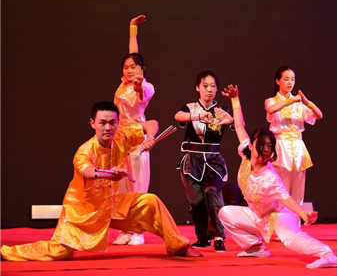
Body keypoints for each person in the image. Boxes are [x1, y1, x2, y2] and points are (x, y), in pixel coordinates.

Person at [0, 101, 200, 261]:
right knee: (60, 252)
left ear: (118, 122)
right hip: (83, 211)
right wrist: (109, 173)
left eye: (112, 122)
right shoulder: (84, 151)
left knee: (150, 202)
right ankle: (6, 252)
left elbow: (152, 123)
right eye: (102, 123)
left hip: (111, 204)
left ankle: (179, 246)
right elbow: (88, 172)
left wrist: (149, 137)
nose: (108, 127)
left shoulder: (122, 135)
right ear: (92, 123)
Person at [219, 84, 337, 269]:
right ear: (252, 145)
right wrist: (235, 99)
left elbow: (285, 198)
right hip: (258, 215)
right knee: (225, 213)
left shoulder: (270, 177)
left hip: (278, 216)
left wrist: (303, 213)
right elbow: (239, 125)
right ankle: (255, 248)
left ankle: (328, 255)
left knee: (291, 240)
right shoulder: (246, 156)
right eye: (262, 145)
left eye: (270, 146)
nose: (266, 149)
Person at [174, 70, 233, 252]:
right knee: (197, 201)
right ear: (197, 88)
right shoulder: (190, 108)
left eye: (213, 86)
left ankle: (219, 237)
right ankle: (202, 238)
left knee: (213, 195)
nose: (209, 90)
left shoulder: (222, 111)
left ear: (216, 90)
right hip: (192, 162)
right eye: (205, 86)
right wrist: (198, 116)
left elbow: (235, 123)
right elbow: (178, 116)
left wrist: (230, 120)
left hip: (213, 161)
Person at [113, 14, 156, 246]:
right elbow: (133, 54)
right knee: (121, 185)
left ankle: (138, 230)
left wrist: (138, 84)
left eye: (134, 67)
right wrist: (132, 29)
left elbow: (140, 90)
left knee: (137, 184)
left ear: (142, 69)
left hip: (137, 140)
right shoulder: (122, 85)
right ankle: (125, 229)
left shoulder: (145, 87)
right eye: (126, 67)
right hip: (120, 141)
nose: (129, 70)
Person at [264, 65, 323, 205]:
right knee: (280, 185)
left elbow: (319, 115)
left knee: (298, 186)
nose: (290, 82)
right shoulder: (272, 100)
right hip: (281, 146)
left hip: (298, 146)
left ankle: (296, 216)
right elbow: (271, 109)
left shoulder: (299, 103)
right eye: (286, 79)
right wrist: (290, 100)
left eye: (292, 79)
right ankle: (279, 216)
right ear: (278, 81)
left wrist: (307, 103)